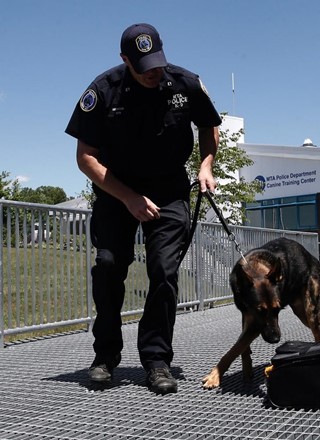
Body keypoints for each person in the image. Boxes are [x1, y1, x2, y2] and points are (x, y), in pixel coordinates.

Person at [65, 23, 222, 394]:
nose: (154, 72)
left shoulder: (185, 83)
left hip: (169, 191)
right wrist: (129, 198)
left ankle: (156, 360)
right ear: (124, 60)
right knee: (107, 267)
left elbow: (210, 125)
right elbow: (85, 158)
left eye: (157, 63)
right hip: (117, 191)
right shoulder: (102, 91)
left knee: (164, 272)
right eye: (143, 66)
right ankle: (105, 356)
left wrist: (206, 165)